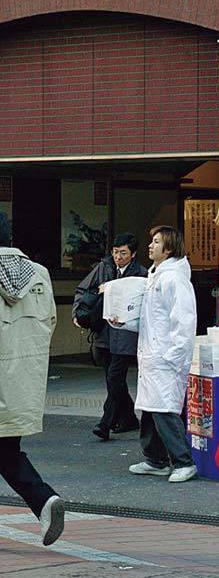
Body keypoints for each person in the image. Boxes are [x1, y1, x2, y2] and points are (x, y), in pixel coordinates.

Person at [0, 227, 65, 545]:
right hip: (24, 382)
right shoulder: (39, 274)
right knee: (7, 451)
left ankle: (43, 498)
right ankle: (43, 501)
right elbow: (50, 321)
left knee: (6, 453)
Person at [128, 225, 197, 483]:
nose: (150, 245)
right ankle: (154, 459)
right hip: (152, 354)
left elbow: (184, 319)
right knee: (148, 408)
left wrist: (175, 354)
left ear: (168, 248)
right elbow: (150, 318)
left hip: (164, 356)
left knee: (164, 410)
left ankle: (183, 461)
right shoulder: (155, 275)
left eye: (156, 242)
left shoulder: (173, 277)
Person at [72, 233, 147, 440]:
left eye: (123, 253)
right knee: (112, 380)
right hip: (103, 332)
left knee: (115, 377)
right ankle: (129, 418)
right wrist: (78, 312)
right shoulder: (104, 267)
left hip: (125, 335)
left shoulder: (141, 275)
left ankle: (105, 423)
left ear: (133, 254)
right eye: (115, 252)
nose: (118, 257)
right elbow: (83, 289)